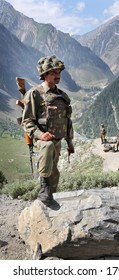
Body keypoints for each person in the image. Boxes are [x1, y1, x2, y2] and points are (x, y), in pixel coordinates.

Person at [22, 55, 74, 206]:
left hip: (58, 140)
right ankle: (43, 189)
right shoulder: (35, 94)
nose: (58, 75)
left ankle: (50, 199)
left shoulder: (63, 96)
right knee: (48, 145)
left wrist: (70, 142)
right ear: (45, 75)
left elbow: (67, 121)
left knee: (55, 174)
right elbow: (27, 120)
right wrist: (39, 134)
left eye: (59, 72)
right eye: (54, 73)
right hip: (42, 140)